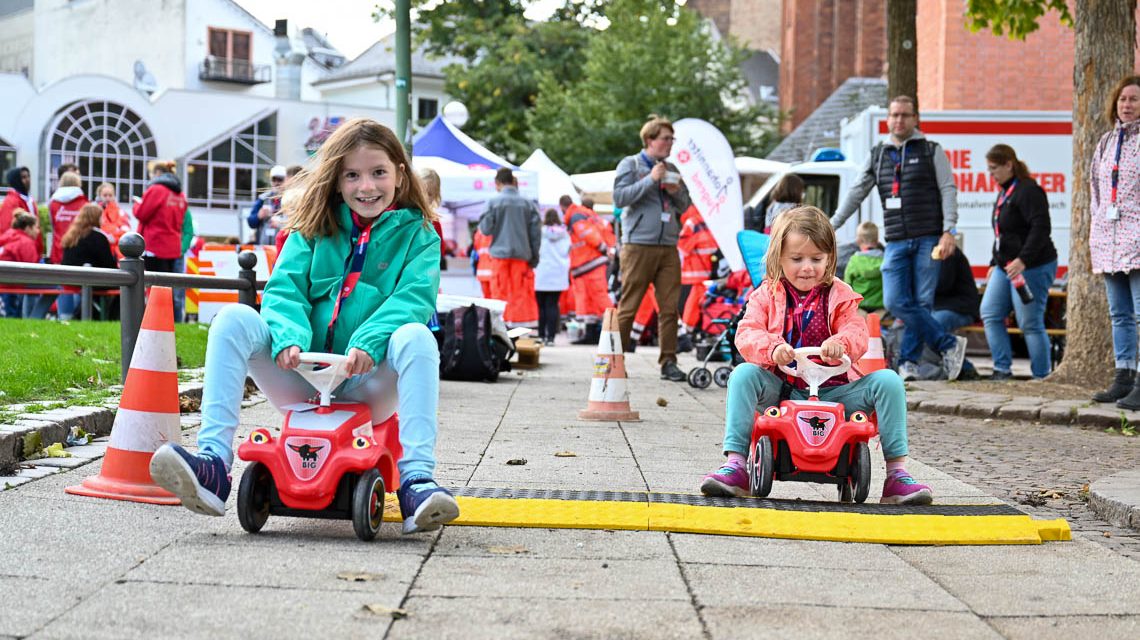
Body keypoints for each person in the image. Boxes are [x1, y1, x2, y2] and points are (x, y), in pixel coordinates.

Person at [149, 117, 460, 534]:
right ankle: (213, 466)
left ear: (400, 175)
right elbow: (284, 290)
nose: (366, 187)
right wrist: (290, 336)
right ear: (336, 180)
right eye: (352, 175)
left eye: (378, 173)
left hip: (368, 378)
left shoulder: (420, 236)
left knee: (417, 337)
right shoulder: (313, 228)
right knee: (233, 320)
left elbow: (413, 299)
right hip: (303, 371)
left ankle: (418, 481)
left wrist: (369, 341)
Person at [699, 206, 933, 505]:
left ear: (830, 259)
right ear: (778, 258)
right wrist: (772, 347)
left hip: (835, 391)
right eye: (796, 259)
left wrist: (842, 343)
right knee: (743, 374)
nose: (807, 267)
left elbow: (857, 331)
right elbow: (746, 333)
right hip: (783, 390)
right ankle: (735, 464)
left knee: (888, 381)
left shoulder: (840, 295)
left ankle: (897, 474)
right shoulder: (765, 295)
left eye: (816, 259)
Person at [830, 95, 968, 382]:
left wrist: (949, 229)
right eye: (894, 115)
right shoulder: (878, 153)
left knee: (921, 302)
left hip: (928, 237)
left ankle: (908, 363)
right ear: (888, 119)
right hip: (895, 240)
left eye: (905, 115)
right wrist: (832, 224)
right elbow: (857, 192)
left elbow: (947, 189)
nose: (899, 120)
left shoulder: (931, 150)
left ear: (915, 119)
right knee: (894, 301)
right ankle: (948, 344)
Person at [613, 115, 692, 381]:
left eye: (672, 139)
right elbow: (620, 197)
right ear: (650, 140)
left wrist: (675, 189)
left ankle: (668, 362)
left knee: (670, 308)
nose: (670, 143)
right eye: (665, 138)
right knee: (629, 305)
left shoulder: (671, 167)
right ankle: (616, 360)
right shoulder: (631, 164)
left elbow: (685, 206)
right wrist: (650, 180)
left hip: (668, 246)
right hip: (638, 246)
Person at [980, 143, 1058, 381]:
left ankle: (1041, 375)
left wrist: (1024, 259)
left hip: (1032, 266)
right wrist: (994, 262)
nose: (990, 174)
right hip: (1006, 267)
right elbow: (1002, 233)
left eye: (994, 168)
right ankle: (1002, 369)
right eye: (988, 169)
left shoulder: (1028, 191)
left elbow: (1041, 228)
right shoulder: (1005, 191)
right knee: (990, 313)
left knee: (1029, 322)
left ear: (1009, 165)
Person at [1091, 76, 1140, 408]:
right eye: (1123, 99)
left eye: (1134, 99)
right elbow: (1095, 190)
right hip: (1108, 240)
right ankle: (1123, 376)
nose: (1127, 104)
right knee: (1119, 313)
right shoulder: (1106, 142)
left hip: (1137, 239)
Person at [477, 167, 541, 328]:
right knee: (520, 296)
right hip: (522, 258)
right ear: (513, 181)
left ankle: (501, 330)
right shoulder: (528, 204)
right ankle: (519, 332)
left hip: (499, 258)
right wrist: (534, 257)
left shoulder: (493, 202)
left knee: (499, 295)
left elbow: (485, 229)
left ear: (497, 183)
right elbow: (535, 235)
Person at [560, 194, 611, 344]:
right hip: (586, 264)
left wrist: (601, 248)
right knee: (590, 300)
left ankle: (617, 327)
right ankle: (591, 332)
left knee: (599, 297)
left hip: (589, 262)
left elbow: (587, 234)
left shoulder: (575, 217)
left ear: (563, 207)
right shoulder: (581, 215)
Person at [58, 203, 118, 319]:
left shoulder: (72, 235)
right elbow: (109, 265)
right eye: (101, 217)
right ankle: (110, 318)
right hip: (92, 282)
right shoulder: (99, 237)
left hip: (70, 281)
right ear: (96, 218)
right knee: (124, 285)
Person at [133, 160, 187, 274]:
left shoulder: (156, 190)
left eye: (151, 174)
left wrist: (137, 204)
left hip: (156, 245)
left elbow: (142, 214)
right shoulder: (181, 195)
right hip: (173, 247)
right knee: (166, 285)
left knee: (154, 284)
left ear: (157, 173)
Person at [534, 208, 570, 345]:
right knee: (553, 305)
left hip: (542, 272)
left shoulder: (540, 233)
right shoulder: (565, 233)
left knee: (541, 306)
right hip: (558, 274)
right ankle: (551, 338)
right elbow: (568, 250)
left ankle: (541, 335)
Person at [0, 211, 42, 318]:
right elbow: (33, 269)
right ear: (28, 228)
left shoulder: (7, 236)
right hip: (12, 287)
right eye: (36, 227)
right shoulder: (26, 242)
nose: (38, 231)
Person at [844, 221, 885, 314]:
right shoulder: (885, 260)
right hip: (881, 308)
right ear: (877, 240)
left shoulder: (854, 261)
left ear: (858, 241)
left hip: (859, 308)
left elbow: (847, 285)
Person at [247, 165, 288, 245]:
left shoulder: (291, 198)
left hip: (283, 245)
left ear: (285, 181)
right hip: (263, 246)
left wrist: (280, 224)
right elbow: (251, 222)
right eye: (274, 179)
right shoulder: (263, 198)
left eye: (280, 179)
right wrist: (258, 216)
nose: (276, 183)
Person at [96, 183, 132, 259]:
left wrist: (114, 237)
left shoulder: (120, 212)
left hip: (116, 250)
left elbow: (125, 229)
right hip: (100, 247)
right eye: (105, 195)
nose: (108, 198)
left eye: (110, 195)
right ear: (100, 196)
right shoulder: (95, 211)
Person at [0, 166, 36, 235]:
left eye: (28, 176)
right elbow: (6, 229)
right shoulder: (11, 201)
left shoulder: (30, 200)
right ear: (16, 180)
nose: (28, 179)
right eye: (23, 177)